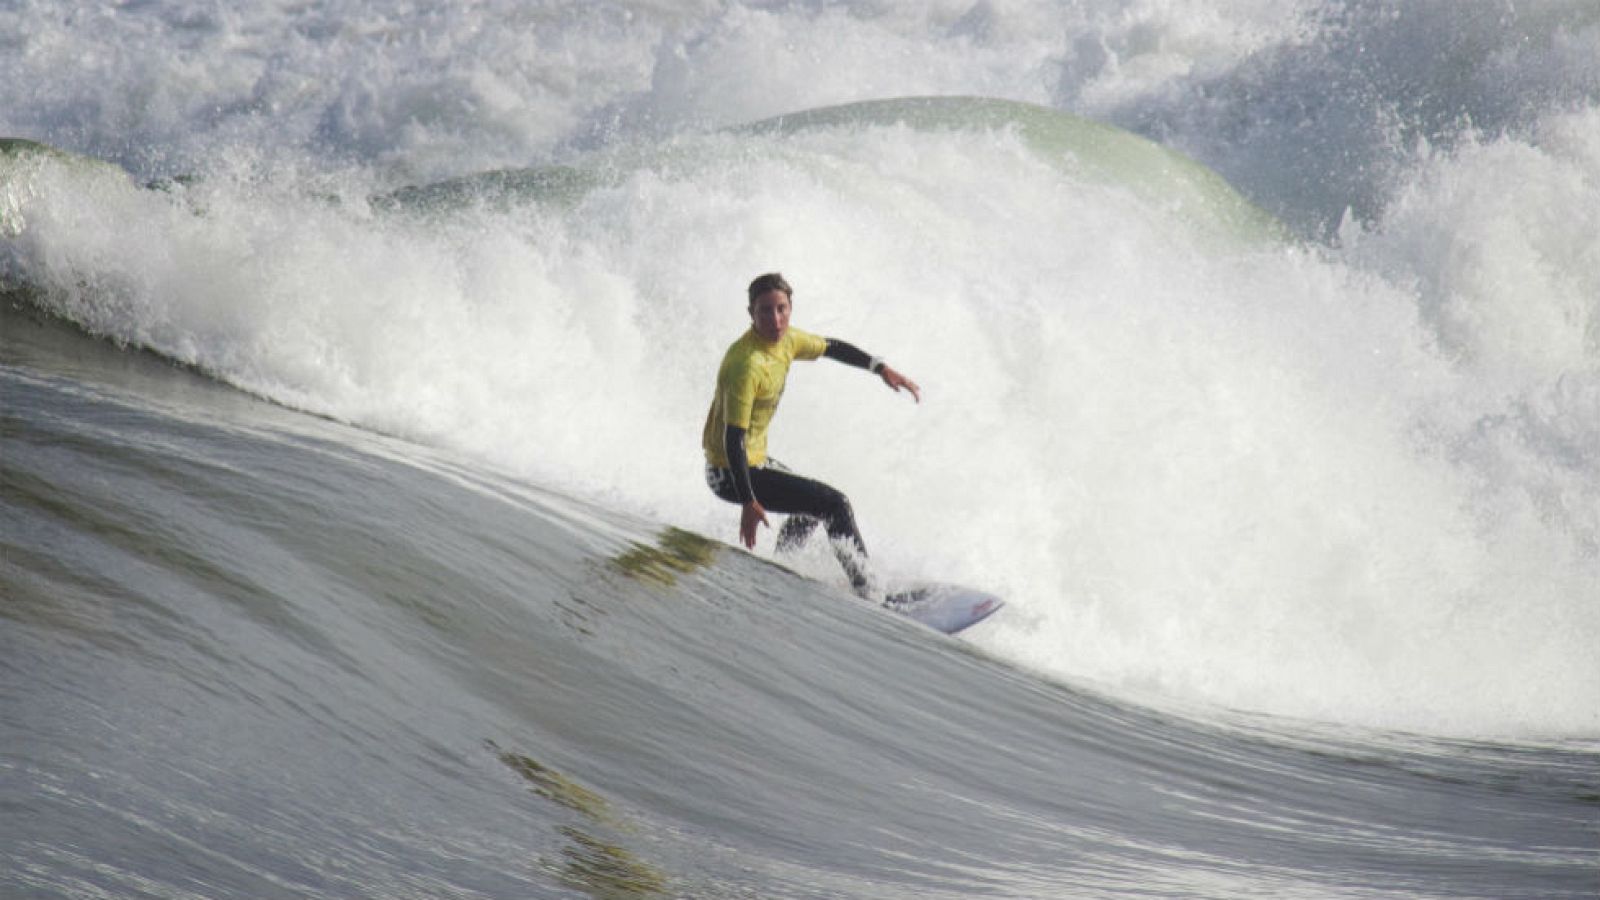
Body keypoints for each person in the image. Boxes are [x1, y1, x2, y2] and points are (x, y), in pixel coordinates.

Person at [702, 272, 921, 598]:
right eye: (765, 311)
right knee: (834, 504)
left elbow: (831, 347)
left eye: (782, 309)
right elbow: (733, 438)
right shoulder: (747, 364)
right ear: (751, 314)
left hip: (752, 459)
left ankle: (781, 569)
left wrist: (879, 367)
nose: (775, 320)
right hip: (728, 470)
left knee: (810, 507)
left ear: (791, 308)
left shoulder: (787, 340)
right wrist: (749, 502)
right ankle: (871, 592)